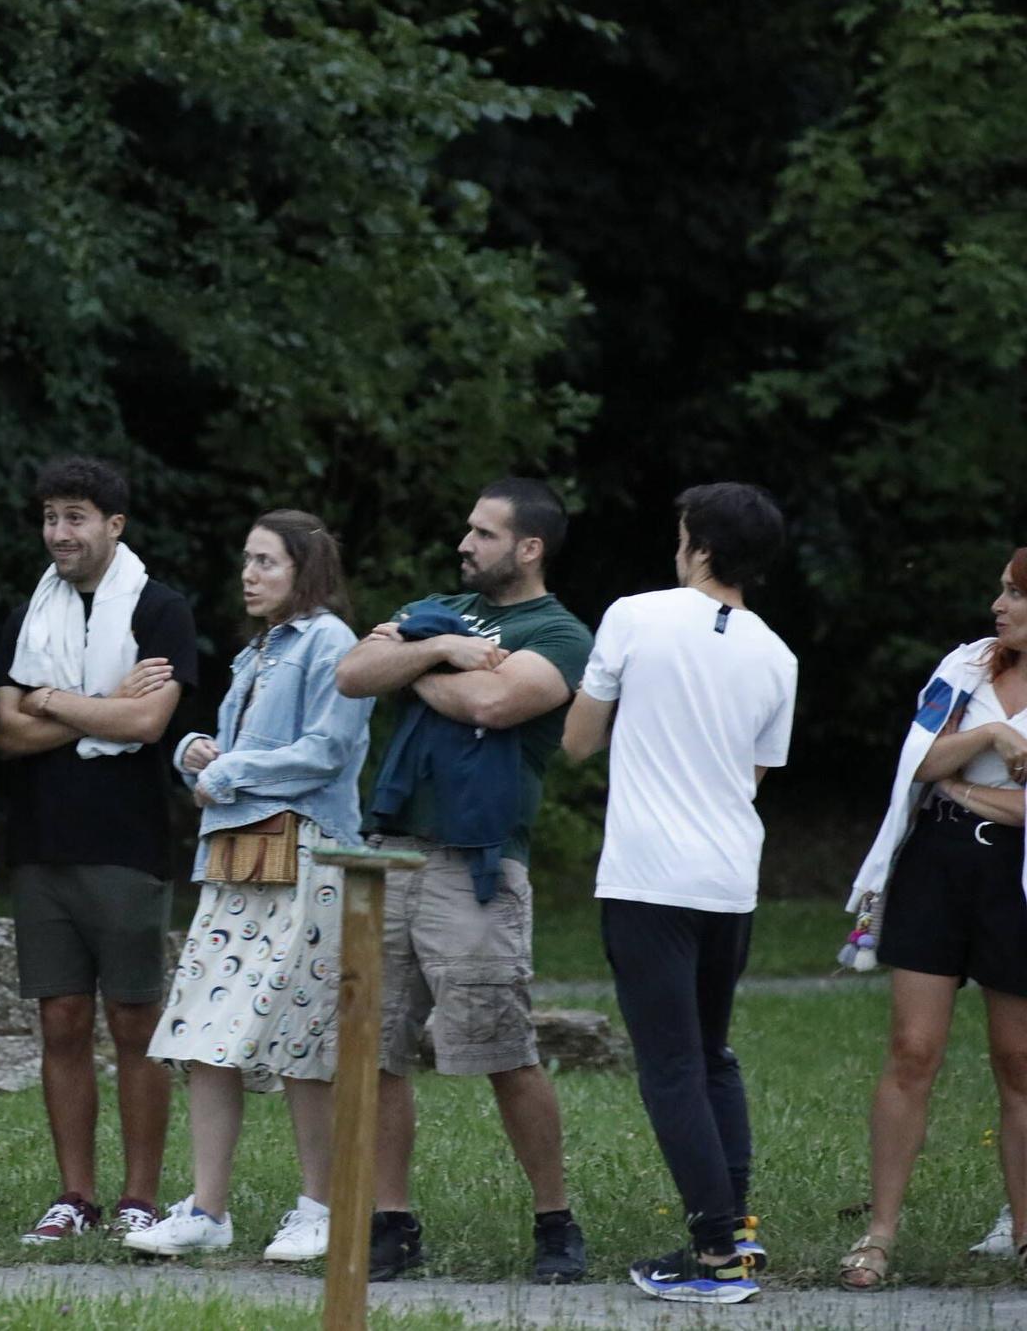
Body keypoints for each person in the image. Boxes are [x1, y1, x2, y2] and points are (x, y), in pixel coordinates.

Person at [333, 477, 592, 1284]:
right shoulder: (441, 608)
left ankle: (555, 1222)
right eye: (467, 529)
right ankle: (392, 1221)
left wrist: (409, 662)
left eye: (483, 533)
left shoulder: (560, 632)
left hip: (474, 865)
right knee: (375, 1049)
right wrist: (442, 649)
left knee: (503, 1047)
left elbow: (494, 703)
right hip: (390, 853)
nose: (464, 544)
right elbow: (352, 669)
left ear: (529, 547)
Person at [562, 483, 796, 1304]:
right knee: (712, 1053)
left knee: (668, 1066)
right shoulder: (778, 654)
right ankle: (738, 1233)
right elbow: (755, 775)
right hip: (732, 877)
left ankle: (715, 1256)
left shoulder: (634, 615)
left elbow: (579, 740)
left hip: (648, 874)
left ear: (697, 543)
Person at [126, 509, 370, 1262]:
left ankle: (321, 1207)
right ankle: (207, 1208)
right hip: (239, 861)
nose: (249, 574)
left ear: (305, 569)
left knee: (302, 1035)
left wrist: (226, 770)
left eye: (266, 561)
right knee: (203, 1030)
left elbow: (326, 751)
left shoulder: (331, 642)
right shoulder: (257, 651)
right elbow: (244, 752)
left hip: (308, 858)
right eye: (246, 560)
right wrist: (200, 749)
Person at [0, 457, 196, 1244]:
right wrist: (104, 702)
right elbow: (6, 732)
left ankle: (140, 1197)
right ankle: (74, 1193)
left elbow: (149, 726)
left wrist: (52, 699)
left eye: (75, 516)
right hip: (42, 847)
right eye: (49, 516)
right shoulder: (27, 614)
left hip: (129, 843)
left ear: (115, 525)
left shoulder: (162, 610)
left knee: (136, 1021)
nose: (59, 532)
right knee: (63, 1021)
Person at [835, 546, 1027, 1289]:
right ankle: (878, 1235)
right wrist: (988, 739)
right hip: (936, 867)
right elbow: (916, 765)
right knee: (913, 1048)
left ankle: (1022, 1233)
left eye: (1014, 594)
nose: (997, 605)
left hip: (1014, 879)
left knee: (1018, 1061)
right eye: (1001, 590)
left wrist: (963, 789)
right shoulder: (967, 666)